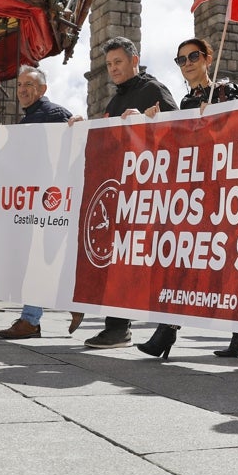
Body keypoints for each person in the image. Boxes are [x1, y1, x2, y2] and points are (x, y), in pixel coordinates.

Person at [137, 38, 238, 359]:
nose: (187, 63)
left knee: (233, 262)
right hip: (198, 192)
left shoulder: (231, 91)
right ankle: (166, 330)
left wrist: (220, 113)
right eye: (181, 59)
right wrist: (157, 122)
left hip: (231, 187)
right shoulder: (184, 102)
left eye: (193, 56)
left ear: (207, 58)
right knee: (182, 258)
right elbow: (179, 145)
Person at [70, 36, 176, 349]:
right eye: (109, 65)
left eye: (118, 62)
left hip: (147, 192)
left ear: (134, 60)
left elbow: (177, 131)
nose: (113, 69)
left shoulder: (153, 90)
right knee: (117, 260)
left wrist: (146, 121)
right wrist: (80, 126)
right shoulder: (115, 99)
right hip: (118, 191)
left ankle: (160, 328)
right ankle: (117, 328)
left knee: (146, 262)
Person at [0, 65, 73, 340]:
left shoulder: (54, 114)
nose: (23, 90)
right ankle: (68, 305)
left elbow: (69, 153)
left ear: (42, 89)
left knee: (39, 259)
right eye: (20, 85)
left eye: (29, 84)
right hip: (32, 200)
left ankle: (31, 320)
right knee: (39, 259)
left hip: (50, 201)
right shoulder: (28, 119)